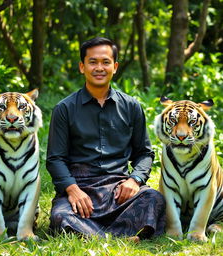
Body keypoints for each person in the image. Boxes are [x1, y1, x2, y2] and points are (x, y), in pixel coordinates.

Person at [46, 37, 165, 240]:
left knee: (153, 198)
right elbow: (55, 159)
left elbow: (144, 153)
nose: (99, 68)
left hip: (118, 190)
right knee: (61, 216)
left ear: (115, 67)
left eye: (105, 62)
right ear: (82, 67)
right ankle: (125, 234)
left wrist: (134, 180)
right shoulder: (64, 109)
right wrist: (72, 190)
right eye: (93, 62)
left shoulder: (132, 107)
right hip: (80, 188)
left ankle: (92, 234)